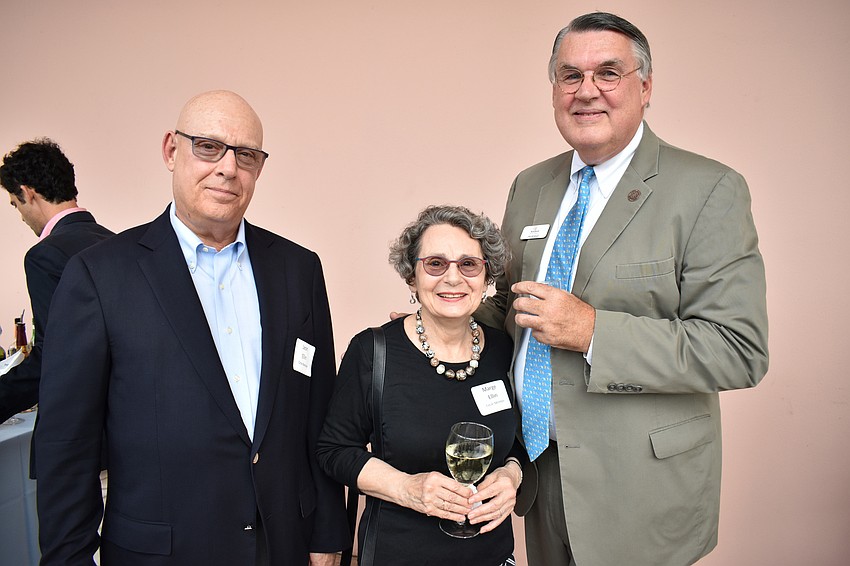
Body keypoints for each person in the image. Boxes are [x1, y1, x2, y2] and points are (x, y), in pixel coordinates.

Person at [474, 12, 769, 566]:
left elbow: (739, 350)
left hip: (641, 489)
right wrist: (446, 323)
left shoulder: (708, 190)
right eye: (569, 76)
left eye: (608, 72)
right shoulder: (530, 185)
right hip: (537, 473)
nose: (587, 92)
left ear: (646, 86)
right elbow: (512, 306)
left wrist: (593, 332)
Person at [35, 90, 349, 565]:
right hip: (162, 553)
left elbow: (318, 416)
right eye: (208, 146)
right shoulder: (100, 276)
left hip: (282, 545)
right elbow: (67, 445)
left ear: (259, 169)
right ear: (171, 150)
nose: (228, 168)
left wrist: (327, 535)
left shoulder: (298, 269)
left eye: (246, 155)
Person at [318, 205, 521, 566]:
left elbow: (521, 439)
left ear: (486, 278)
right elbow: (334, 450)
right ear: (412, 277)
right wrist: (408, 489)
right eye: (436, 264)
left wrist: (512, 475)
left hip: (492, 555)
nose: (453, 278)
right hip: (399, 553)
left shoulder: (505, 349)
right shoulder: (373, 351)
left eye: (469, 264)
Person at [0, 138, 113, 440]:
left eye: (15, 204)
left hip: (80, 440)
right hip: (122, 434)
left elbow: (54, 359)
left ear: (27, 192)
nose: (21, 216)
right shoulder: (115, 243)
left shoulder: (45, 256)